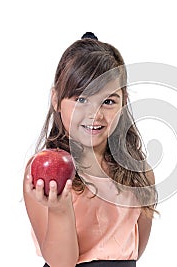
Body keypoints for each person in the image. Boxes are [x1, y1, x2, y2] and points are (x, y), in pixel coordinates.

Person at [23, 32, 158, 267]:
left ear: (124, 102)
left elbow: (135, 252)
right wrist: (60, 209)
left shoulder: (140, 174)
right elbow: (61, 262)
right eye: (81, 99)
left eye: (108, 101)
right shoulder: (45, 174)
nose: (94, 114)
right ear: (56, 99)